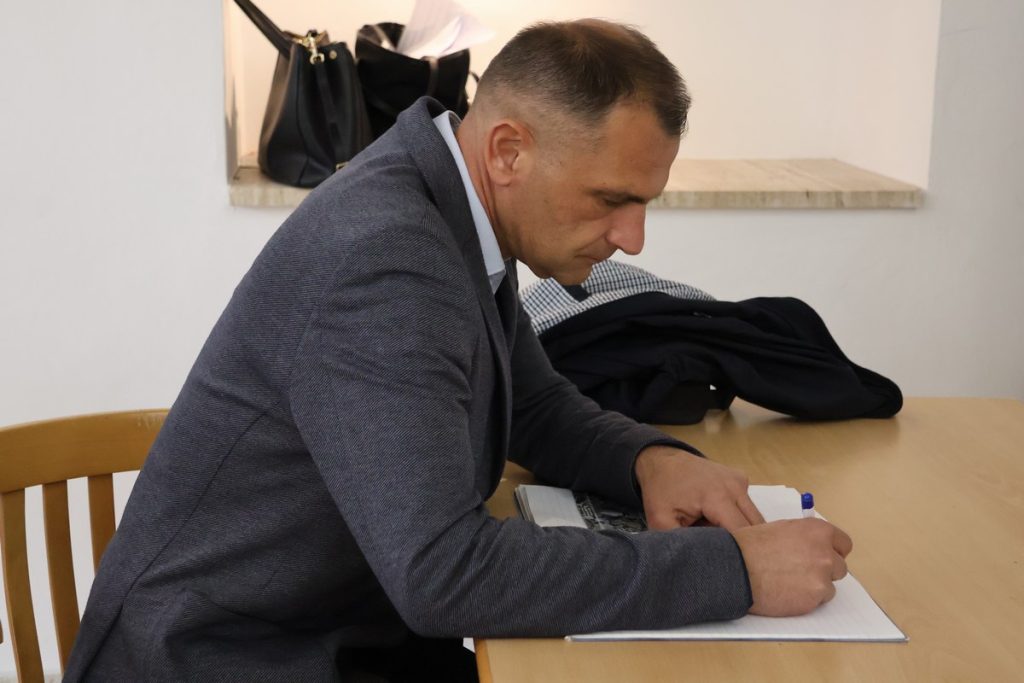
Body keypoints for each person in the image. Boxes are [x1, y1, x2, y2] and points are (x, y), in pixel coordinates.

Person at [65, 19, 852, 682]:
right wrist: (734, 571)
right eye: (612, 199)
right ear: (508, 151)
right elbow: (443, 571)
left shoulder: (446, 203)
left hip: (332, 630)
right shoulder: (389, 258)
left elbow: (532, 402)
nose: (633, 237)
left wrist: (649, 460)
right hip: (226, 659)